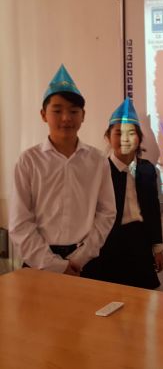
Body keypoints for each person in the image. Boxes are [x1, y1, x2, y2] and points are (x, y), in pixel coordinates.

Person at [9, 64, 116, 275]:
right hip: (38, 263)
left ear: (83, 115)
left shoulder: (97, 161)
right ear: (43, 115)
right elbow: (19, 223)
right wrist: (55, 265)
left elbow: (107, 213)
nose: (66, 118)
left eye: (73, 111)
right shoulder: (29, 161)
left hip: (85, 263)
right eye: (57, 111)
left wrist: (79, 258)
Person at [82, 98, 163, 289]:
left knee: (142, 299)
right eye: (118, 133)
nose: (124, 139)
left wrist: (158, 248)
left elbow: (153, 210)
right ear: (108, 137)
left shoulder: (147, 170)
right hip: (106, 246)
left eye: (131, 133)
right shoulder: (98, 170)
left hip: (139, 244)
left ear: (139, 139)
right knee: (106, 296)